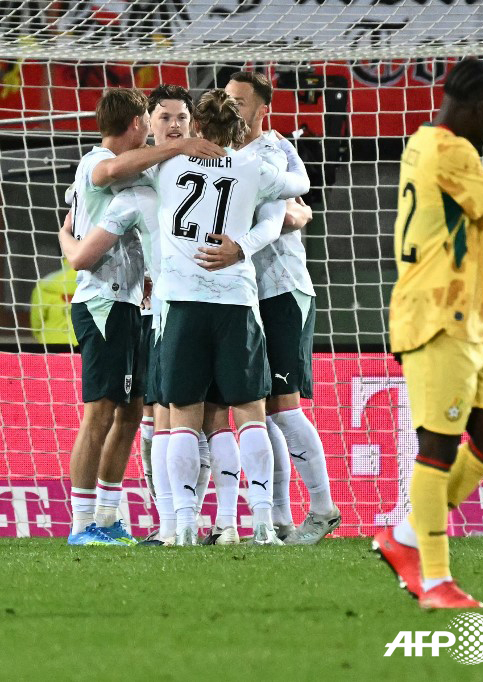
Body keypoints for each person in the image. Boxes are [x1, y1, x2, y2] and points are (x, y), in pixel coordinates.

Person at [372, 57, 483, 609]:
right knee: (436, 447)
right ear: (479, 108)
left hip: (469, 322)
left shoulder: (421, 141)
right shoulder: (454, 150)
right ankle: (434, 579)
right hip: (438, 315)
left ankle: (406, 536)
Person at [60, 87, 223, 546]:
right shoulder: (96, 163)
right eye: (158, 120)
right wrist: (179, 144)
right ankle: (81, 523)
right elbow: (107, 182)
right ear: (138, 123)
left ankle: (108, 519)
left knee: (131, 412)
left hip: (133, 303)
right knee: (99, 412)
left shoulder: (141, 176)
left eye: (180, 119)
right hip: (103, 304)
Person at [150, 89, 309, 545]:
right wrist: (282, 148)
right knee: (250, 414)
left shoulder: (166, 165)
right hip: (235, 303)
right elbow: (298, 187)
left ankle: (181, 526)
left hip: (181, 302)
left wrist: (176, 146)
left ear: (197, 127)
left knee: (182, 415)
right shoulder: (253, 168)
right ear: (239, 129)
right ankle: (261, 522)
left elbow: (113, 175)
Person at [224, 70, 339, 545]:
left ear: (261, 109)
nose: (232, 108)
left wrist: (290, 213)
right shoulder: (229, 153)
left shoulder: (269, 150)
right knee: (262, 410)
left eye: (241, 101)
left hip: (283, 288)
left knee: (283, 407)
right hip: (251, 292)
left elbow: (293, 210)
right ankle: (278, 518)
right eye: (227, 99)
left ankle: (324, 507)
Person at [29, 259, 78, 346]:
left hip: (51, 344)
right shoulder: (102, 283)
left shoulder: (46, 282)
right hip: (87, 346)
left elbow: (37, 320)